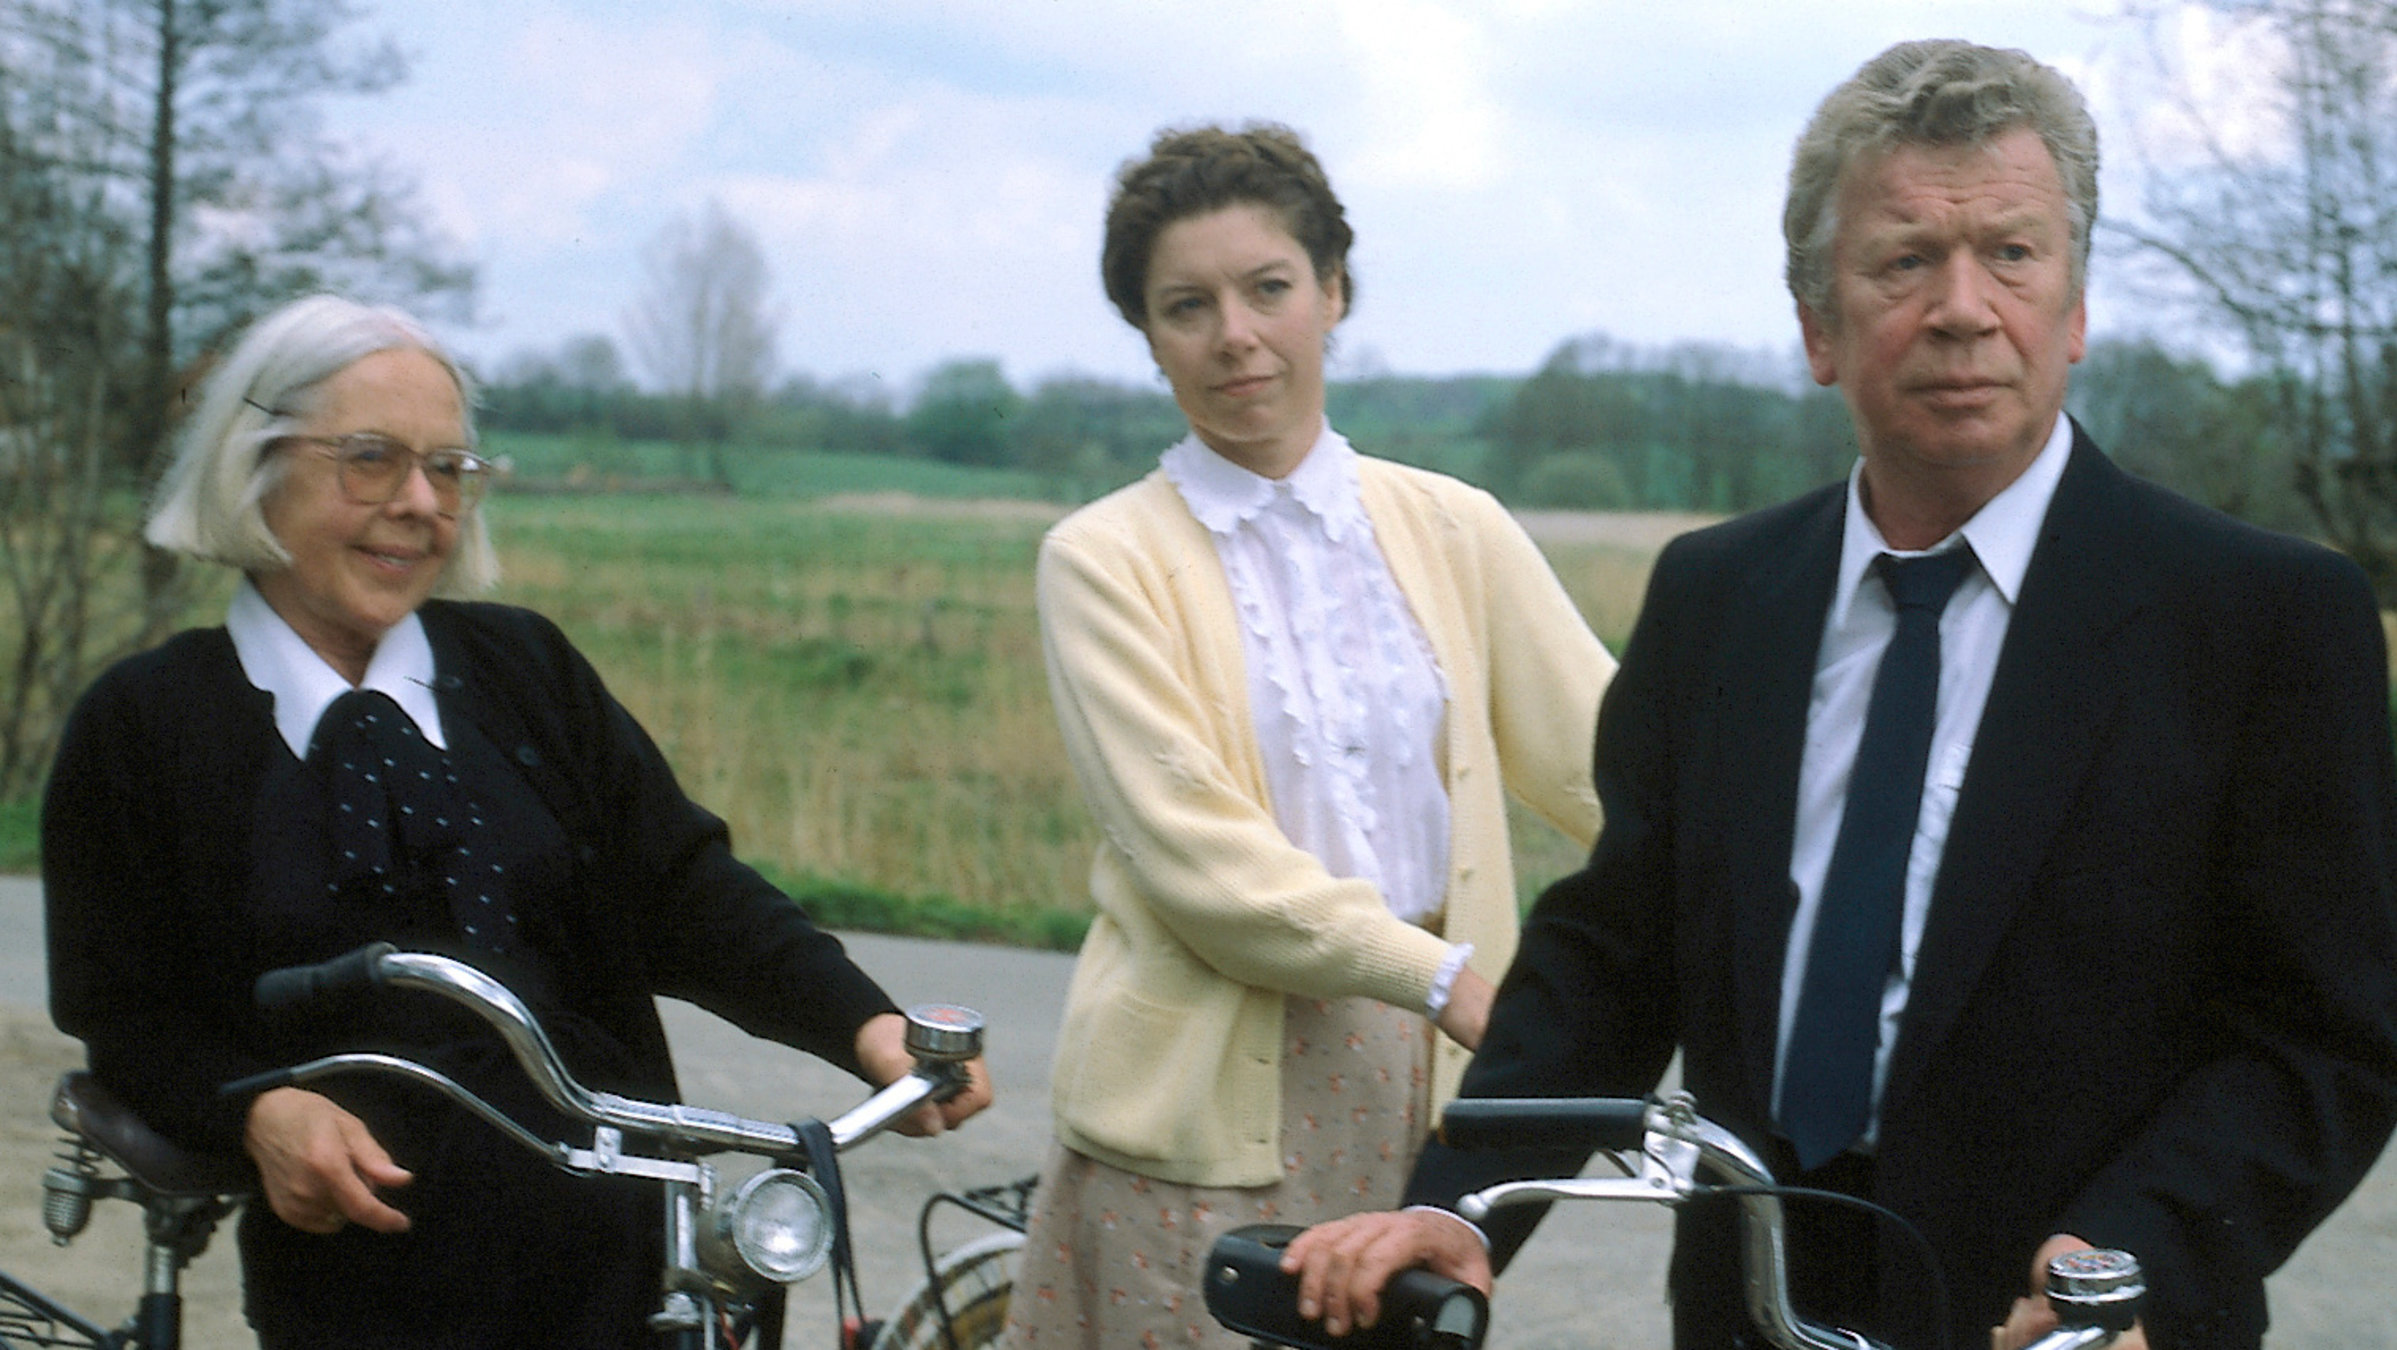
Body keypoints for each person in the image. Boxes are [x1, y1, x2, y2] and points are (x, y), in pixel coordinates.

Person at [1286, 39, 2397, 1350]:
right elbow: (1611, 958)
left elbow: (2324, 1037)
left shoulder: (2260, 619)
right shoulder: (1716, 596)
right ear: (1819, 327)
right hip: (1752, 1307)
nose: (1963, 306)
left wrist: (2136, 1252)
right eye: (1903, 260)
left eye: (2012, 254)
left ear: (2076, 308)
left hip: (2070, 1323)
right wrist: (1458, 1207)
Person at [41, 294, 992, 1348]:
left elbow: (680, 889)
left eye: (449, 469)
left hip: (621, 1242)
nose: (420, 503)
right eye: (372, 459)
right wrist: (256, 1111)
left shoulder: (523, 671)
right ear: (254, 466)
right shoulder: (147, 725)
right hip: (364, 1277)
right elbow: (123, 1009)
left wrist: (865, 1028)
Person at [999, 124, 1613, 1348]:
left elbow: (1621, 768)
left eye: (1268, 288)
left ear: (1332, 293)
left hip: (1428, 1104)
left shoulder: (1456, 528)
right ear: (1147, 334)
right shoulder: (1102, 561)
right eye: (1187, 305)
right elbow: (1199, 860)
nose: (1234, 334)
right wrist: (1439, 978)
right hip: (1198, 1111)